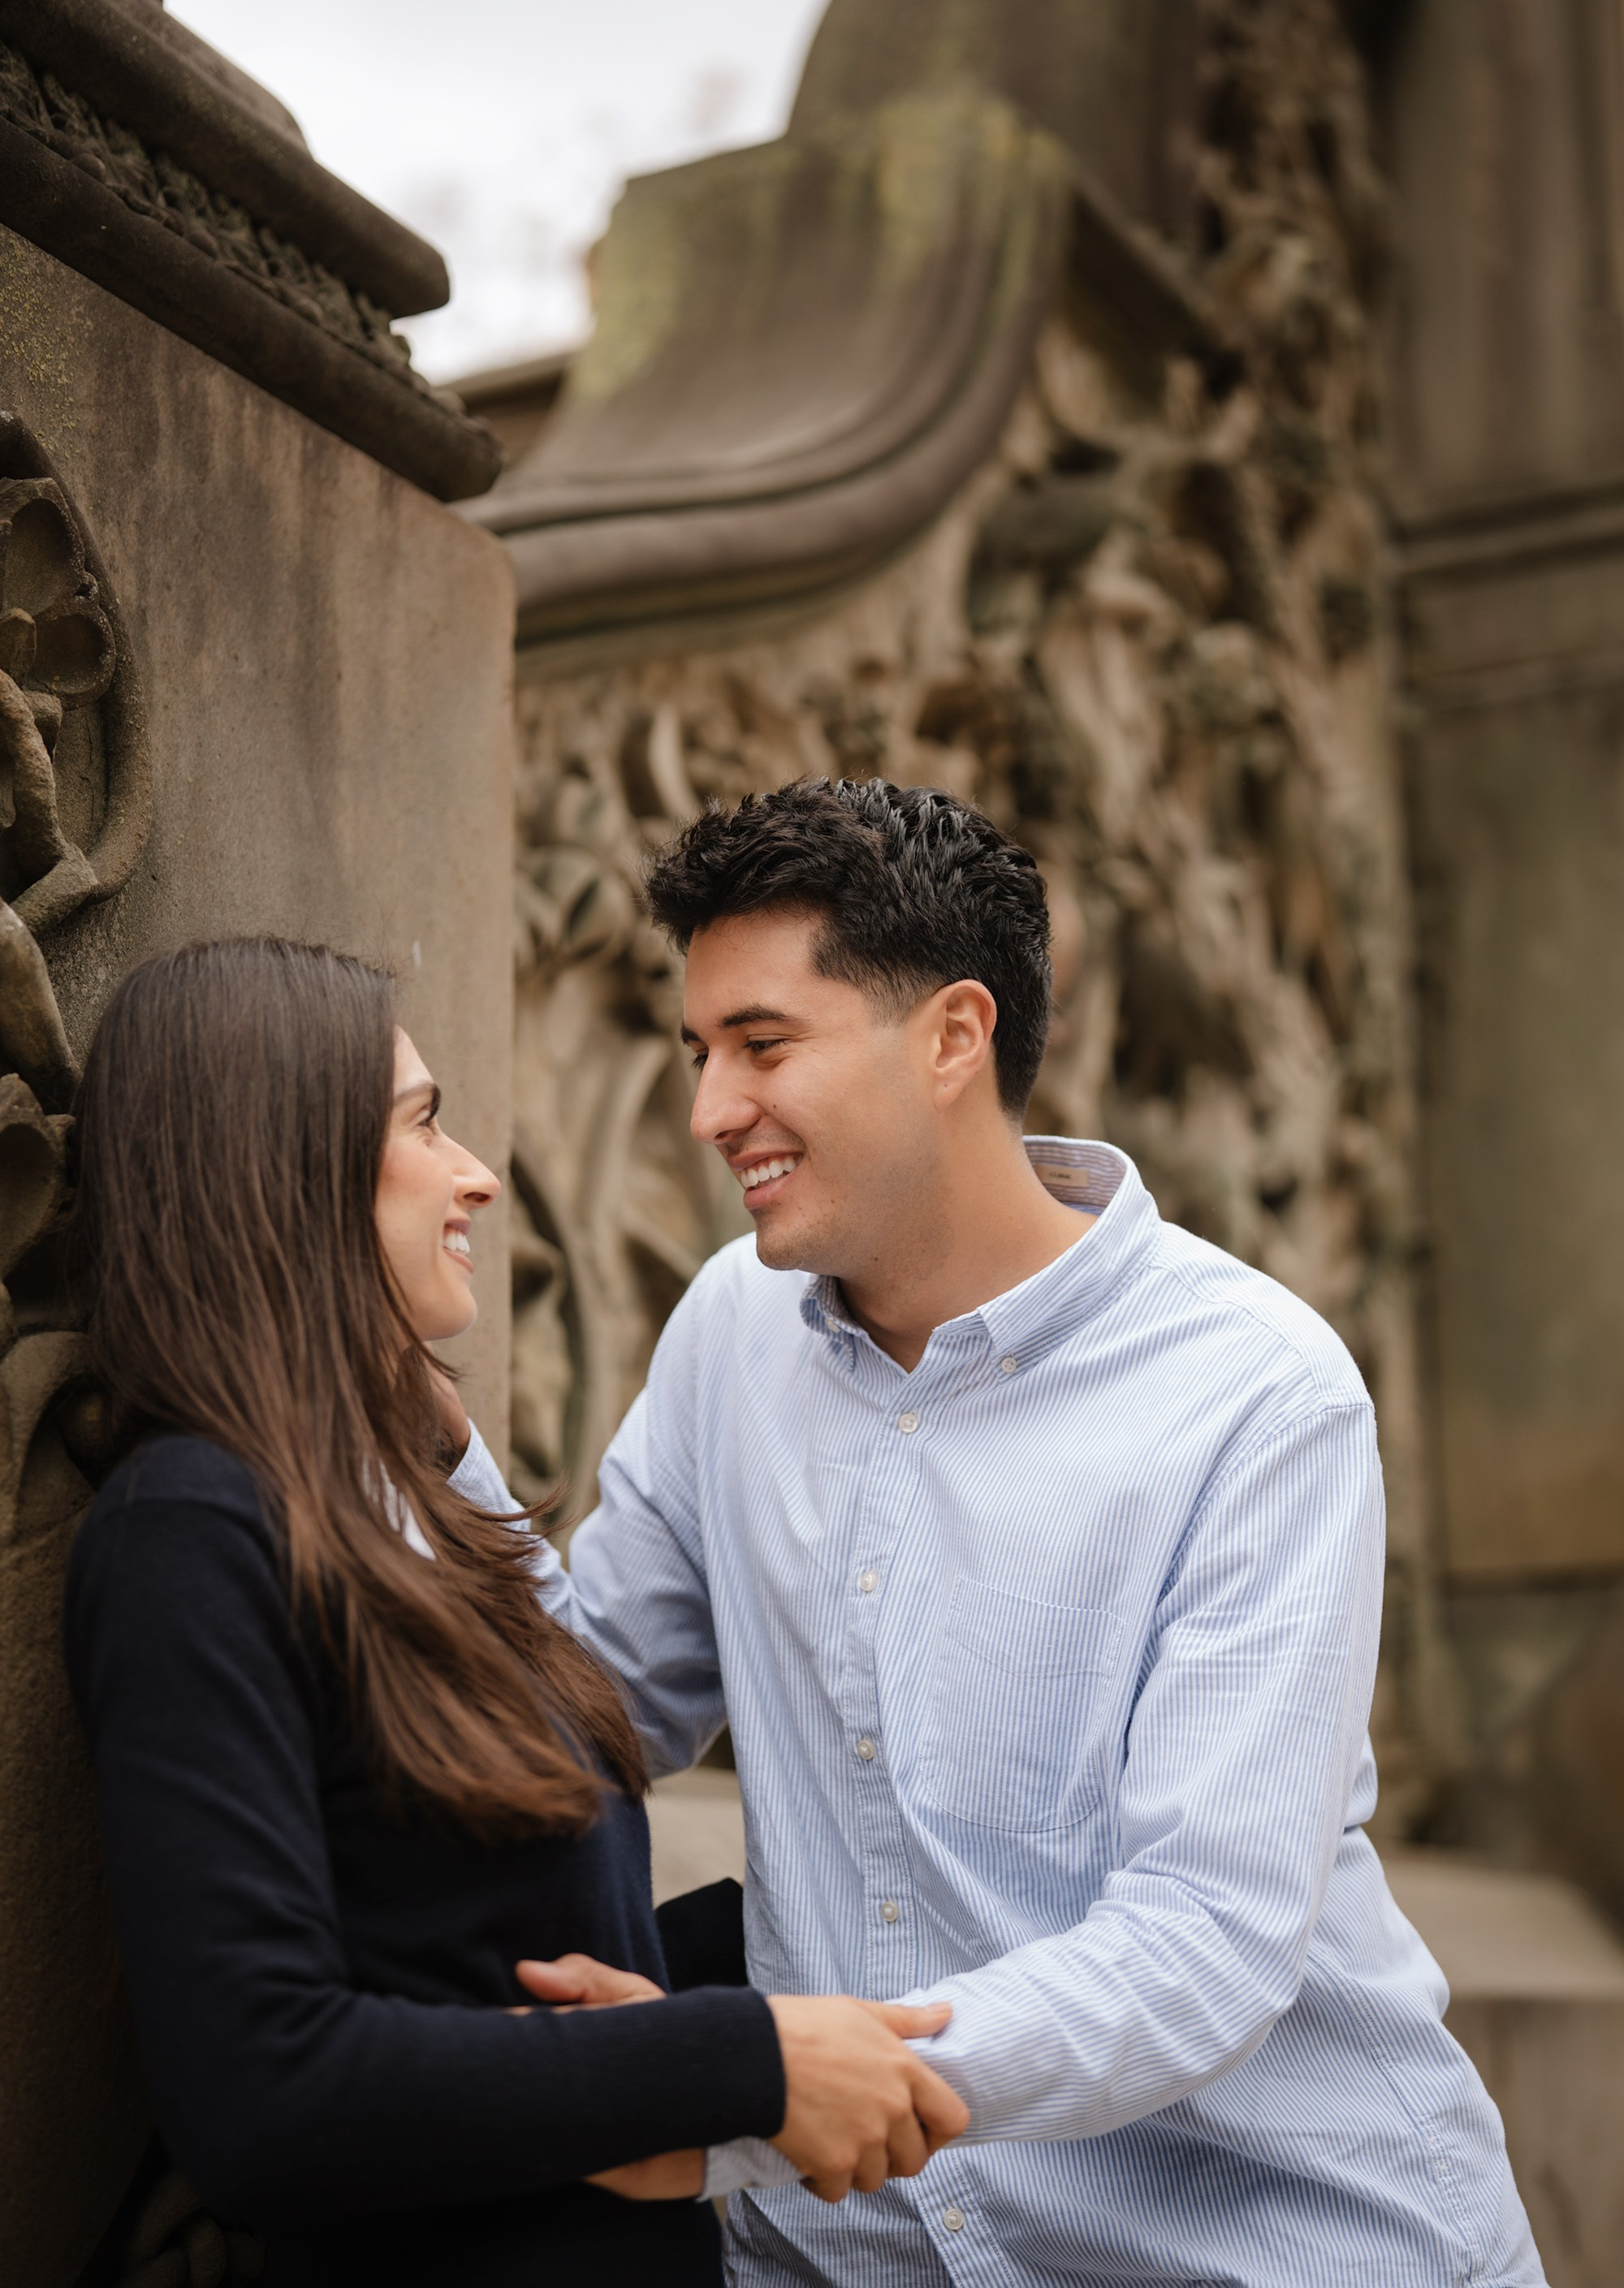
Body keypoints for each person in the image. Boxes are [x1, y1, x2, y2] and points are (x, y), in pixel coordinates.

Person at [460, 780, 1545, 2286]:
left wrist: (749, 2099)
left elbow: (1203, 1944)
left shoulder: (1257, 1395)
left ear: (954, 1037)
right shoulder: (728, 1334)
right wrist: (394, 1403)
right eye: (701, 1052)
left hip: (1264, 2245)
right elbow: (576, 1716)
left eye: (764, 1046)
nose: (708, 1112)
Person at [62, 936, 966, 2288]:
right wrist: (748, 2057)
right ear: (283, 1170)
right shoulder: (189, 1529)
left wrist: (813, 1969)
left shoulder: (398, 1510)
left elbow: (509, 1961)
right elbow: (264, 2089)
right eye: (422, 1124)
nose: (477, 1172)